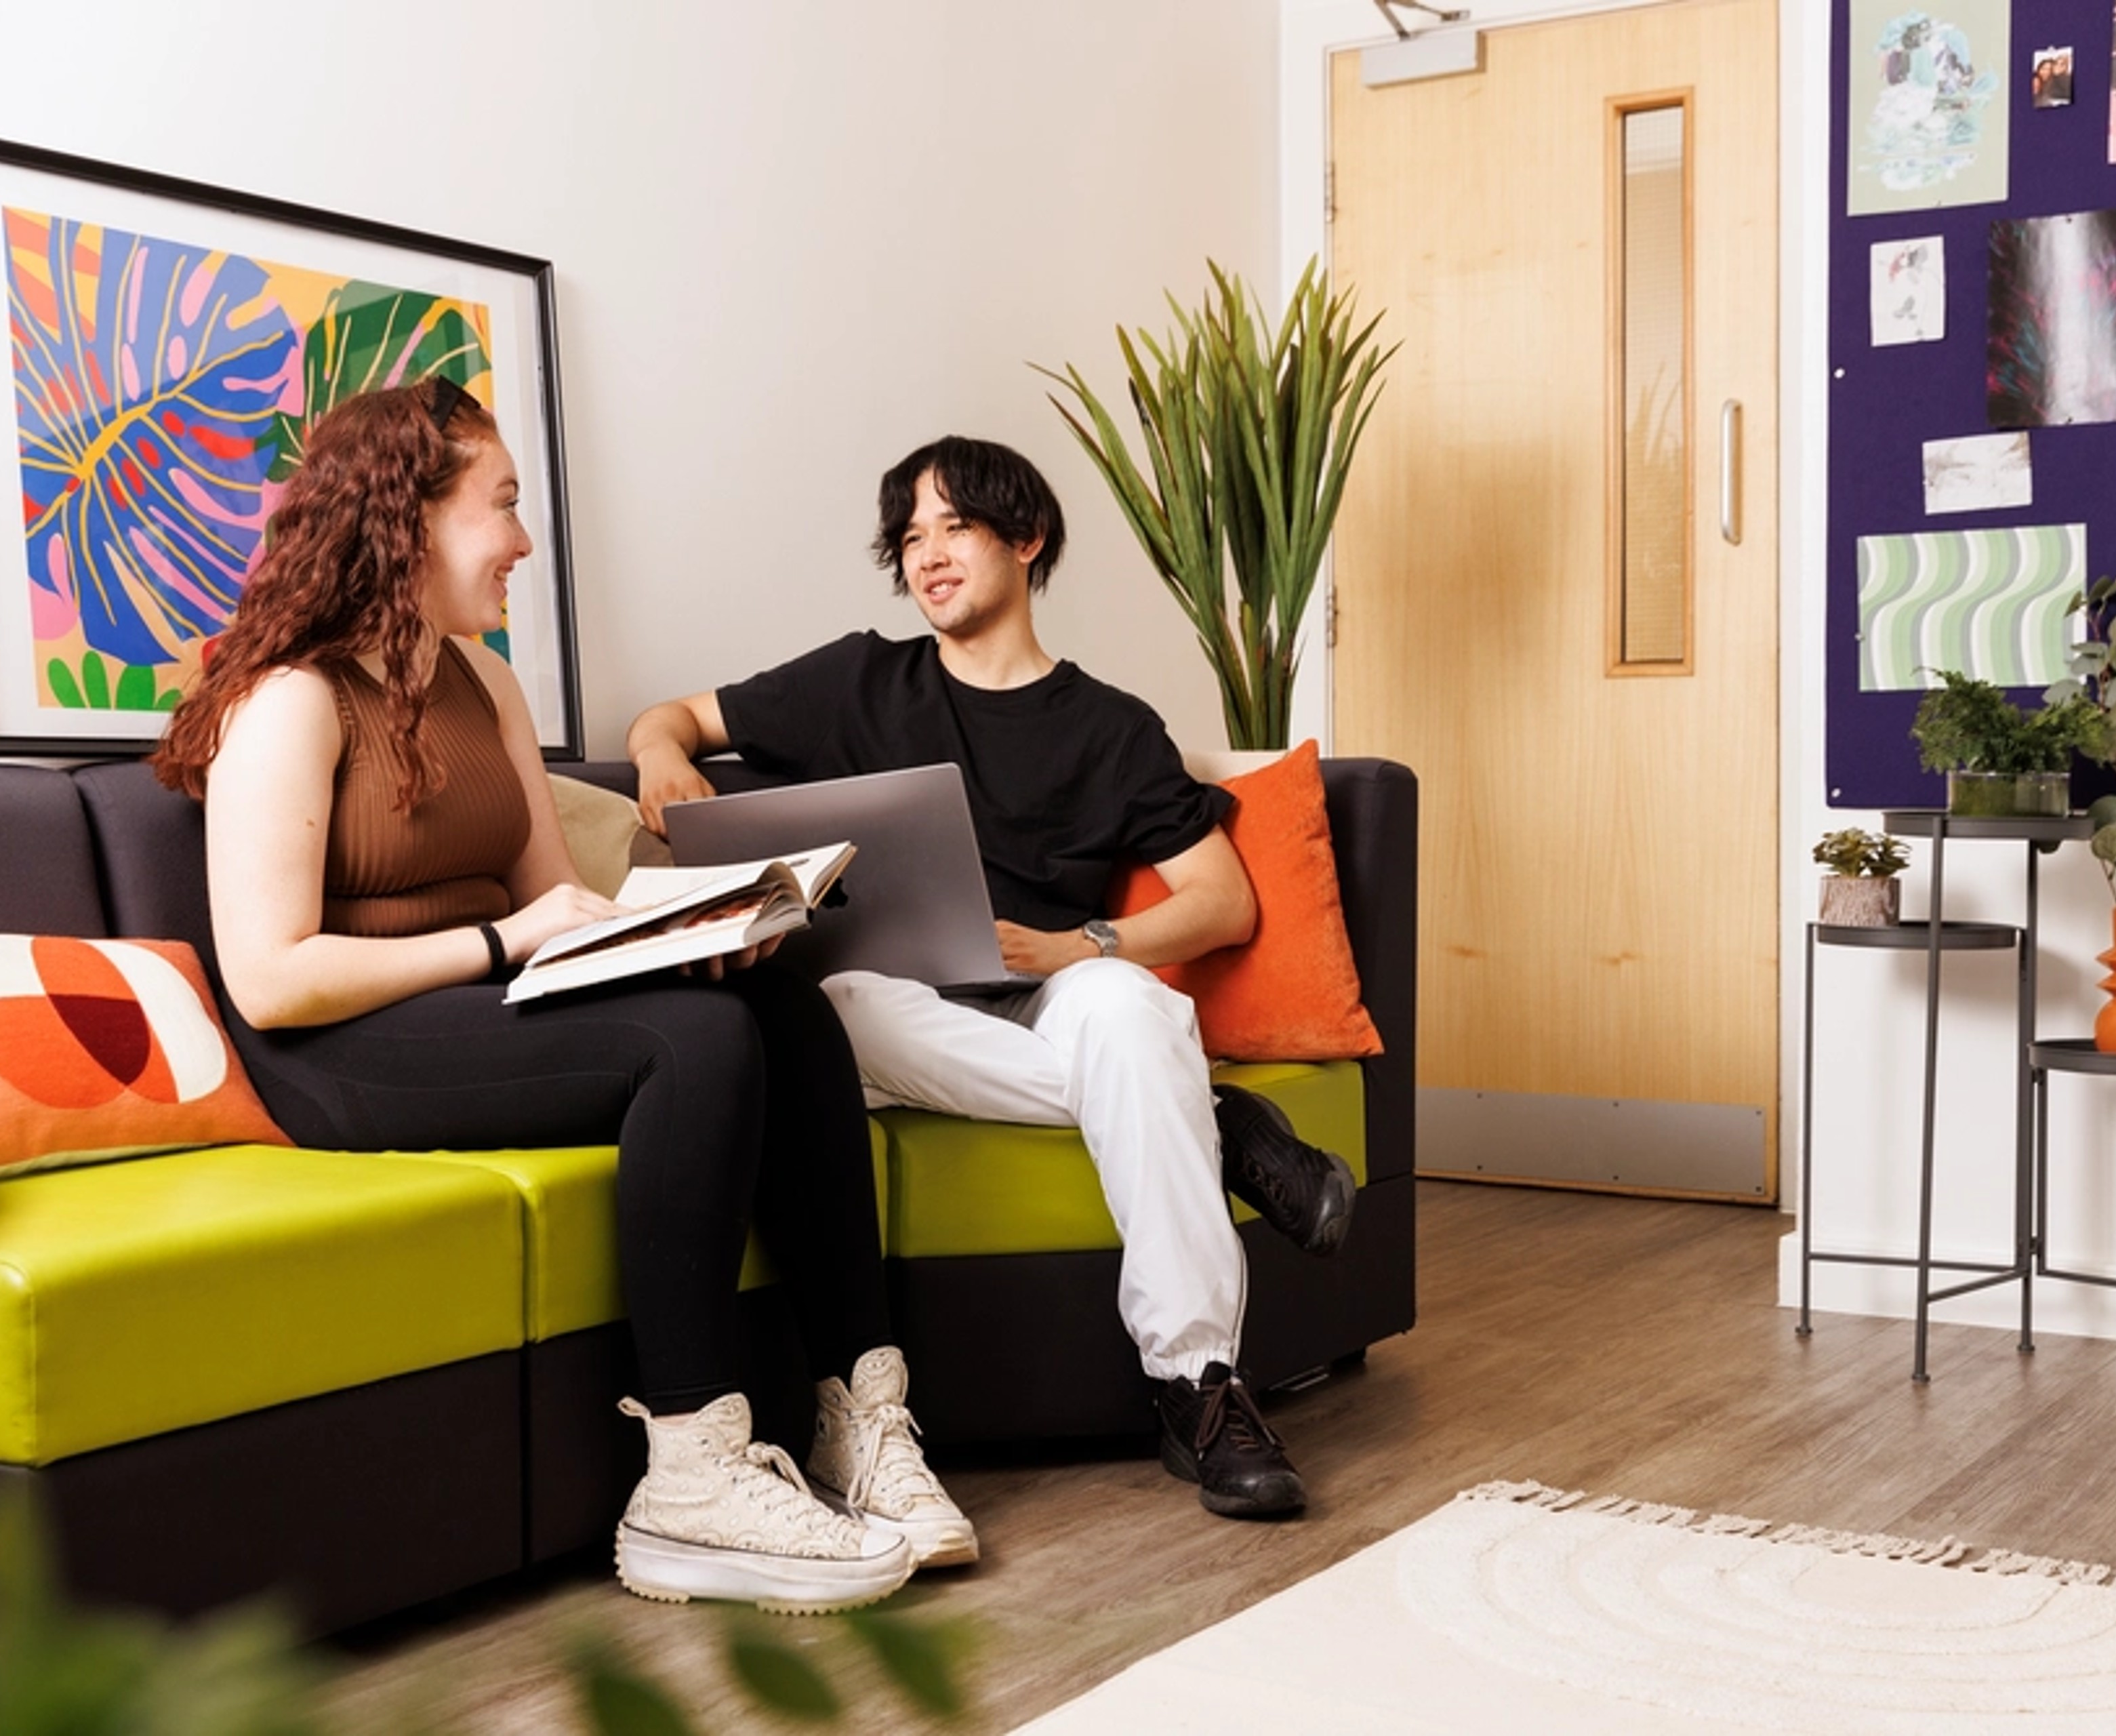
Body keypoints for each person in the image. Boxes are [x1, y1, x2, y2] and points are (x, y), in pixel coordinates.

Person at [148, 378, 971, 1613]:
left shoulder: (486, 685)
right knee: (689, 1047)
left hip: (482, 1006)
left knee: (784, 999)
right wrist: (497, 943)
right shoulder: (292, 697)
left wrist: (703, 927)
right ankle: (688, 1474)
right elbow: (271, 978)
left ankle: (861, 1410)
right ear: (408, 518)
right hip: (334, 1052)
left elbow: (555, 902)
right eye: (504, 507)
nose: (525, 542)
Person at [628, 435, 1357, 1520]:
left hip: (1048, 996)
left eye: (953, 526)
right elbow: (673, 716)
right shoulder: (858, 678)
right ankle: (1212, 1117)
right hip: (891, 1010)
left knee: (1128, 1010)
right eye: (910, 537)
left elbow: (1224, 901)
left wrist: (1079, 949)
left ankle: (1199, 1384)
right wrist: (657, 758)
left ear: (1027, 538)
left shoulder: (1111, 727)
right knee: (820, 1009)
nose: (926, 555)